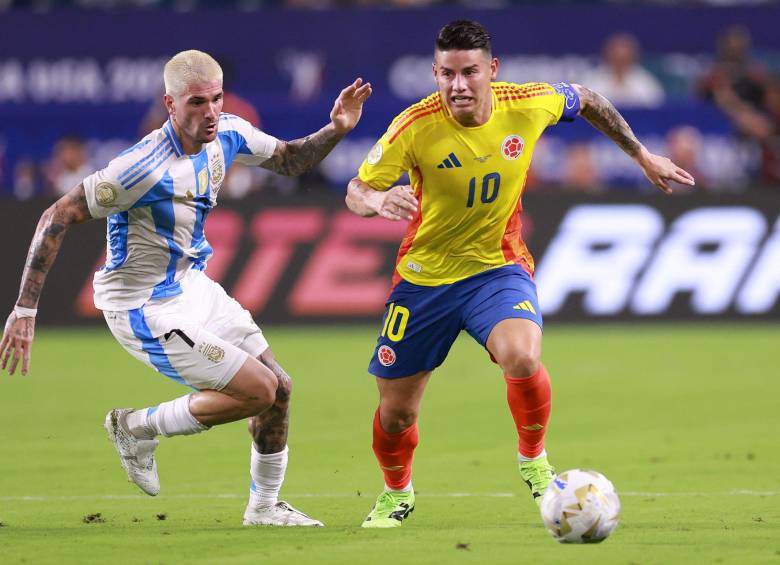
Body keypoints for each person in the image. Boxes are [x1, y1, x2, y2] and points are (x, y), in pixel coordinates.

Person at [0, 49, 371, 527]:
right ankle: (135, 426)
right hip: (140, 306)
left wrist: (337, 128)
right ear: (170, 104)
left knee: (279, 388)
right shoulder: (139, 168)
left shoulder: (230, 133)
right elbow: (57, 215)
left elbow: (290, 159)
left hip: (190, 286)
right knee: (258, 390)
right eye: (197, 102)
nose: (211, 111)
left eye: (216, 98)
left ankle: (263, 508)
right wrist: (25, 311)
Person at [345, 20, 694, 528]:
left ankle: (533, 460)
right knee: (397, 413)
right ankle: (396, 493)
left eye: (469, 72)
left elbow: (589, 98)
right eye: (446, 74)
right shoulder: (414, 125)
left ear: (492, 70)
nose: (458, 85)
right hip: (424, 280)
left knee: (523, 357)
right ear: (435, 73)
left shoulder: (526, 103)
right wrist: (376, 199)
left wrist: (641, 155)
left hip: (497, 268)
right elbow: (356, 188)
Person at [584, 32, 665, 109]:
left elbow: (656, 108)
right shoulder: (593, 81)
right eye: (616, 58)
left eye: (624, 60)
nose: (620, 62)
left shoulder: (646, 82)